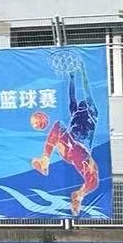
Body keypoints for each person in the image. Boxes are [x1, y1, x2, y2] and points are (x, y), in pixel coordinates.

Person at [30, 62, 100, 216]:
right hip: (69, 145)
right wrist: (72, 77)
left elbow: (87, 91)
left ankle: (79, 195)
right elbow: (72, 95)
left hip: (80, 152)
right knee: (59, 125)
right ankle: (44, 161)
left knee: (94, 180)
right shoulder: (75, 110)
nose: (80, 103)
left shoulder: (92, 112)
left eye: (83, 103)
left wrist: (83, 73)